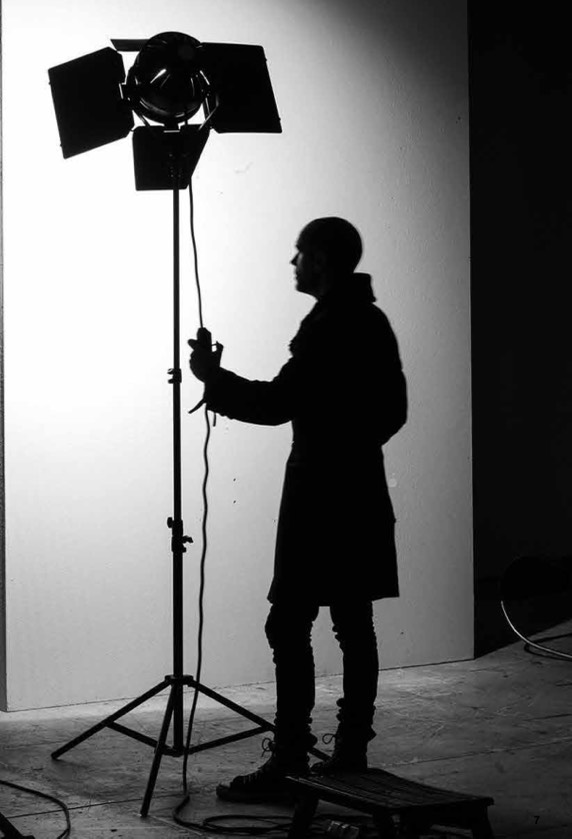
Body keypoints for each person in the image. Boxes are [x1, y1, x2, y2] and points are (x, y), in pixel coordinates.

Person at [187, 216, 407, 802]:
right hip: (359, 491)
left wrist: (213, 378)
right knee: (353, 622)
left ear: (322, 260)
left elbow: (277, 404)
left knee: (288, 623)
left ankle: (289, 760)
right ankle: (351, 754)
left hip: (319, 500)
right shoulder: (370, 320)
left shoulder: (328, 326)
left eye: (300, 252)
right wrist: (352, 449)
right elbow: (394, 410)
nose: (293, 262)